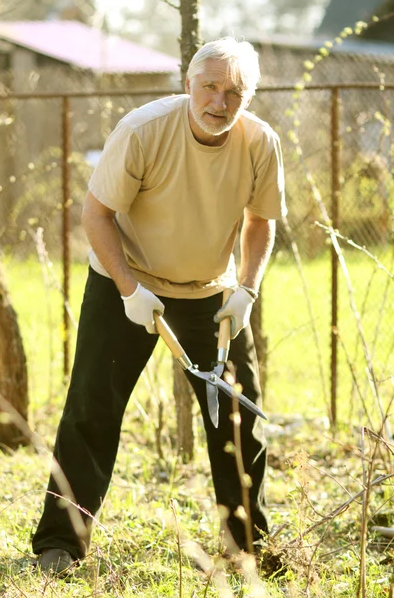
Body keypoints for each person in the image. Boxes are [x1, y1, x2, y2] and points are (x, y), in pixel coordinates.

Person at [33, 36, 287, 574]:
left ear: (250, 96)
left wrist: (246, 289)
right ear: (188, 83)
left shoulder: (260, 142)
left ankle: (248, 549)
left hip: (209, 294)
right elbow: (96, 215)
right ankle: (61, 542)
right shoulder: (143, 130)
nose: (220, 101)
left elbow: (260, 222)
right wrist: (129, 289)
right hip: (126, 284)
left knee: (238, 416)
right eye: (211, 86)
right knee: (91, 412)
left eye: (235, 91)